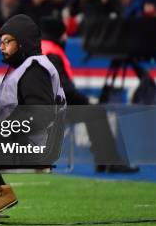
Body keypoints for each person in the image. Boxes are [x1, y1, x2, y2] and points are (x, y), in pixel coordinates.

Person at [0, 14, 65, 215]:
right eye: (0, 42)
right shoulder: (23, 67)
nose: (2, 47)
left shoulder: (34, 68)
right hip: (28, 141)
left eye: (8, 41)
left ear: (22, 42)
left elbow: (40, 116)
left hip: (36, 147)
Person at [40, 17, 138, 173]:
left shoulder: (35, 49)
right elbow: (64, 90)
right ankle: (109, 161)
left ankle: (104, 161)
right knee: (95, 112)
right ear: (60, 34)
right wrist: (86, 100)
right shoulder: (53, 53)